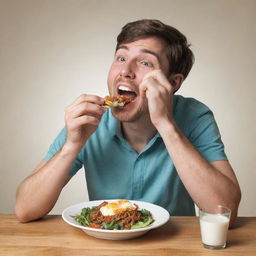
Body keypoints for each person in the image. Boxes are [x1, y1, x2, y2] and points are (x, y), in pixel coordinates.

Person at [15, 19, 241, 226]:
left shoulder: (195, 116)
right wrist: (71, 146)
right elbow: (25, 209)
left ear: (172, 83)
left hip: (173, 245)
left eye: (144, 62)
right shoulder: (89, 121)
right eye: (121, 58)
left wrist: (166, 124)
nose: (125, 71)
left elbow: (225, 213)